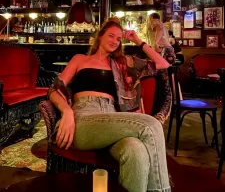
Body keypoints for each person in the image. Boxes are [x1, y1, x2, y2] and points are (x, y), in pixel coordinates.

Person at [48, 17, 171, 192]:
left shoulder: (122, 63)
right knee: (151, 125)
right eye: (111, 36)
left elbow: (163, 64)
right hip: (83, 116)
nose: (115, 41)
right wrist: (67, 111)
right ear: (100, 36)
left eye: (119, 38)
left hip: (113, 118)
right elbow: (55, 88)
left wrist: (137, 40)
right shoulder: (80, 59)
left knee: (136, 151)